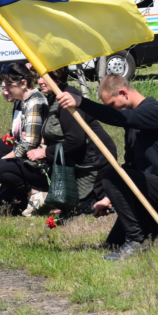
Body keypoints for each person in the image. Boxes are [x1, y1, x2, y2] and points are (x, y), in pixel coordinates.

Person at [57, 75, 158, 261]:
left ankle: (136, 241)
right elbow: (130, 165)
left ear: (123, 93)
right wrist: (107, 199)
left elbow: (120, 118)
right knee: (113, 242)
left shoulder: (155, 111)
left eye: (112, 104)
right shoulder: (133, 124)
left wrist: (82, 102)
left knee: (110, 175)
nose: (113, 109)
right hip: (148, 190)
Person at [28, 68, 117, 216]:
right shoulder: (54, 97)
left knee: (85, 207)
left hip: (93, 160)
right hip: (75, 157)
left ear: (57, 77)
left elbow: (75, 140)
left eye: (45, 77)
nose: (40, 81)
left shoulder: (67, 98)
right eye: (38, 77)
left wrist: (45, 152)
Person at [0, 62, 48, 216]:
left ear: (23, 83)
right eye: (3, 85)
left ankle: (36, 191)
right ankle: (19, 186)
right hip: (31, 154)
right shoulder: (22, 100)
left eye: (9, 85)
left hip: (42, 161)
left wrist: (5, 160)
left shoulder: (34, 102)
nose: (5, 89)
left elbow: (29, 144)